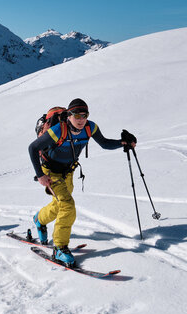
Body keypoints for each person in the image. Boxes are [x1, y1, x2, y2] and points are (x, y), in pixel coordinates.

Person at [27, 98, 136, 266]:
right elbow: (33, 148)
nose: (81, 119)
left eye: (84, 115)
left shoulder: (90, 127)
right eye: (77, 115)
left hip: (68, 171)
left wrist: (124, 143)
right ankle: (60, 247)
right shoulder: (58, 130)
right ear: (69, 116)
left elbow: (105, 143)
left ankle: (39, 220)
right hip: (51, 173)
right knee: (68, 206)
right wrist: (40, 175)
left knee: (59, 205)